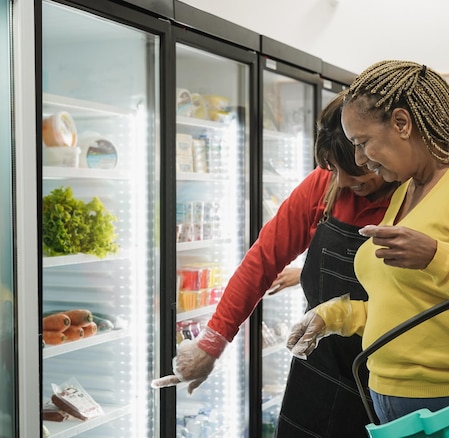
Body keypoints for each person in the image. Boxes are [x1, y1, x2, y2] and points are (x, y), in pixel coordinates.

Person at [287, 60, 449, 425]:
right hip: (394, 405)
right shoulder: (405, 191)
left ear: (402, 124)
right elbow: (415, 310)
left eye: (362, 143)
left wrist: (437, 258)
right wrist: (334, 316)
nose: (359, 160)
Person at [152, 91, 399, 437]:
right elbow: (262, 260)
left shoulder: (411, 198)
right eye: (334, 172)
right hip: (319, 369)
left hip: (387, 374)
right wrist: (212, 342)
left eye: (357, 178)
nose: (343, 184)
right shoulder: (323, 186)